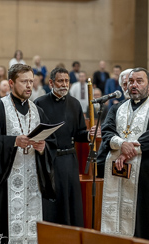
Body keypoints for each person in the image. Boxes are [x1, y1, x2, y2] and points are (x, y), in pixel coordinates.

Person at [0, 64, 57, 244]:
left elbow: (52, 145)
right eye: (24, 81)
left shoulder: (37, 111)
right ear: (11, 83)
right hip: (5, 184)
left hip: (32, 187)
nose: (29, 86)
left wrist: (42, 148)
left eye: (31, 81)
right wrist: (13, 141)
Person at [97, 67, 149, 243]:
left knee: (143, 220)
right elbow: (106, 131)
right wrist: (122, 144)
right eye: (131, 81)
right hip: (116, 173)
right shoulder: (116, 109)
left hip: (144, 174)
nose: (134, 85)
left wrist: (128, 151)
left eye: (139, 81)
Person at [35, 67, 100, 228]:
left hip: (70, 160)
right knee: (51, 203)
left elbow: (78, 133)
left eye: (67, 81)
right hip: (49, 160)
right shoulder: (39, 103)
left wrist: (88, 135)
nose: (64, 85)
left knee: (70, 202)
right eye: (60, 81)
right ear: (51, 83)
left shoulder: (75, 104)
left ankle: (70, 237)